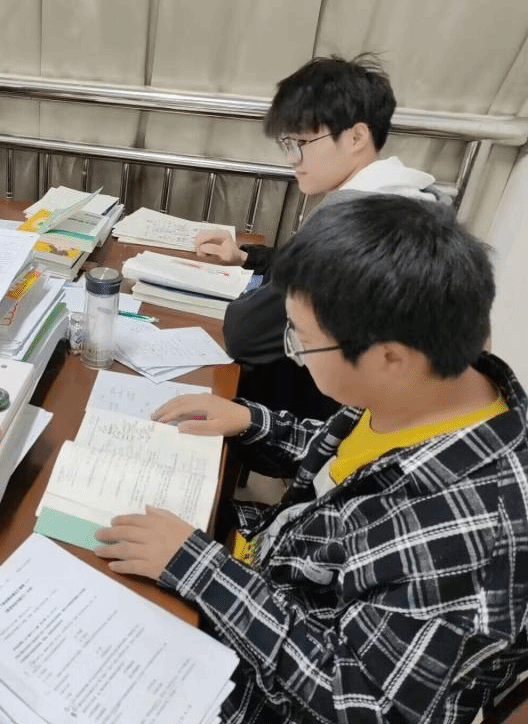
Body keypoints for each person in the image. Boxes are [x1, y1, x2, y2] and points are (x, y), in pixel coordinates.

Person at [96, 194, 528, 724]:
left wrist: (202, 570)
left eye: (301, 341)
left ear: (389, 357)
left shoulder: (471, 540)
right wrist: (254, 421)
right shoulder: (435, 388)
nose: (294, 354)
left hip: (265, 689)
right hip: (273, 567)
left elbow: (357, 704)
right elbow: (350, 470)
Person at [198, 55, 443, 424]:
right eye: (286, 144)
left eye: (300, 142)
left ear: (356, 137)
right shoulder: (412, 198)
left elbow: (245, 334)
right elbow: (318, 276)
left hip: (315, 413)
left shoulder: (353, 222)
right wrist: (247, 258)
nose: (291, 159)